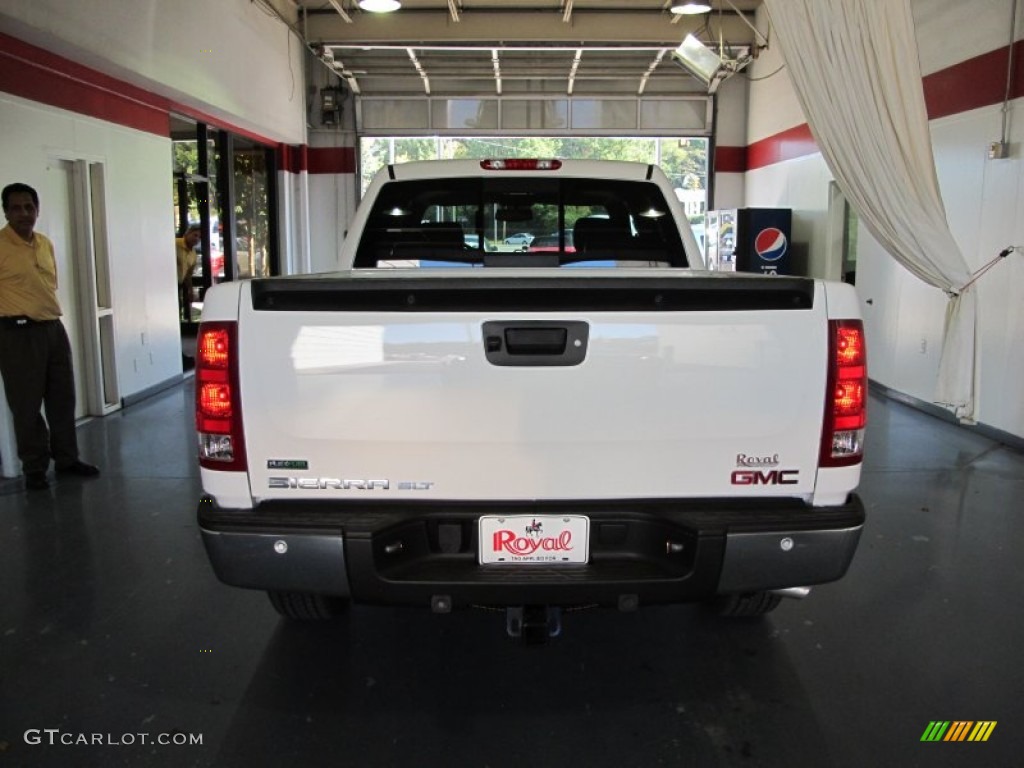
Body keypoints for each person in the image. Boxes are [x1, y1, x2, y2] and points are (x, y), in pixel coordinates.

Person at [0, 182, 100, 491]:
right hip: (17, 333)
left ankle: (67, 459)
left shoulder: (44, 243)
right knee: (27, 406)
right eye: (16, 207)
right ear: (5, 211)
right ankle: (35, 469)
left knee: (62, 398)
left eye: (29, 207)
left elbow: (49, 285)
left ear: (37, 210)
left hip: (52, 329)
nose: (23, 213)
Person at [176, 223, 201, 321]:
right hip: (164, 283)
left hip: (178, 285)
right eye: (195, 235)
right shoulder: (174, 244)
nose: (196, 239)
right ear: (187, 233)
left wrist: (191, 290)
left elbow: (188, 274)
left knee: (178, 308)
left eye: (199, 237)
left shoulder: (193, 254)